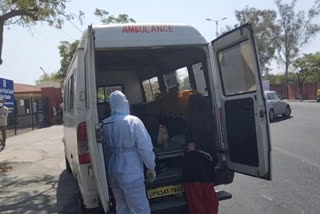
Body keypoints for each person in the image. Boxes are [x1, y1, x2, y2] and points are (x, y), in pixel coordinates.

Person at [102, 91, 156, 214]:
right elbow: (145, 147)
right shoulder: (133, 121)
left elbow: (103, 149)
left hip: (113, 170)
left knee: (121, 208)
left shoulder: (104, 124)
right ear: (125, 103)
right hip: (131, 172)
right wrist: (151, 166)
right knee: (140, 209)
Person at [183, 94, 219, 214]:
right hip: (207, 166)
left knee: (196, 200)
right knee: (209, 197)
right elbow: (210, 140)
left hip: (193, 167)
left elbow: (188, 142)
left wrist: (195, 146)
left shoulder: (191, 119)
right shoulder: (210, 118)